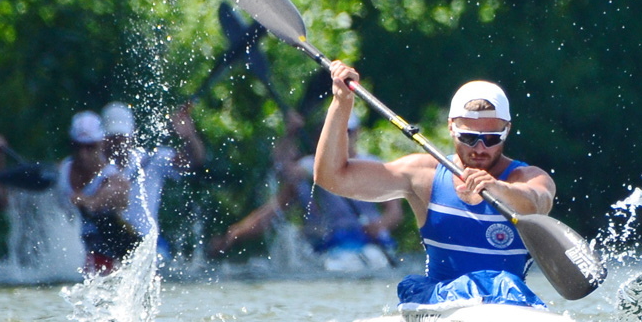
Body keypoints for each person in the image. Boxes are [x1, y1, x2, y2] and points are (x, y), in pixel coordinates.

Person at [313, 67, 553, 307]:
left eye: (491, 139)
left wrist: (500, 189)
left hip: (509, 301)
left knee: (503, 283)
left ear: (507, 129)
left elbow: (537, 201)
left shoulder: (527, 177)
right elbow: (331, 178)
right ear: (451, 127)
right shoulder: (423, 175)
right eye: (469, 138)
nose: (480, 148)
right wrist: (341, 102)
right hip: (440, 302)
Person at [206, 109, 402, 268]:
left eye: (347, 132)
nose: (342, 137)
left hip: (371, 246)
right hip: (331, 250)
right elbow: (281, 175)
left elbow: (395, 213)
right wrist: (233, 235)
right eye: (336, 130)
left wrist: (379, 225)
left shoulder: (374, 166)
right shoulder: (311, 166)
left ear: (357, 133)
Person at [101, 101, 206, 263]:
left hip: (147, 244)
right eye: (113, 137)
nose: (117, 142)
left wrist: (188, 135)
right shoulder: (91, 166)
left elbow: (195, 161)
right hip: (105, 244)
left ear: (131, 135)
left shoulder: (151, 160)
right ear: (103, 138)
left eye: (122, 137)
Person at [54, 111, 140, 275]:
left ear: (102, 144)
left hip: (104, 253)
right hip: (66, 255)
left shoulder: (115, 179)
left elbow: (118, 196)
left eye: (89, 146)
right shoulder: (59, 172)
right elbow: (3, 203)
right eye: (77, 146)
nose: (83, 154)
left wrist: (90, 202)